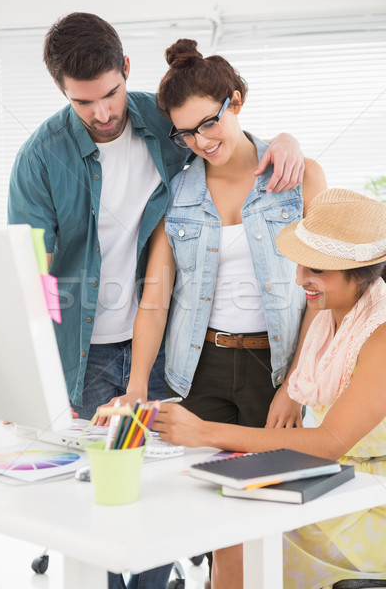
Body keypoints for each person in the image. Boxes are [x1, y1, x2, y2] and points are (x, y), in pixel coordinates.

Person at [6, 14, 304, 589]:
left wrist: (285, 142)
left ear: (125, 69)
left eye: (110, 95)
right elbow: (30, 275)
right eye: (83, 102)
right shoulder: (39, 160)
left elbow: (226, 140)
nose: (102, 113)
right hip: (86, 355)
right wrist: (34, 376)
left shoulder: (164, 120)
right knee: (102, 507)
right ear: (62, 92)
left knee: (164, 507)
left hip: (168, 349)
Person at [153, 188, 386, 589]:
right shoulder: (333, 313)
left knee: (237, 539)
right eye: (300, 266)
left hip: (367, 503)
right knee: (228, 526)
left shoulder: (379, 335)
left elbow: (330, 441)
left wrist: (204, 431)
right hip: (333, 479)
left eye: (316, 271)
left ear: (361, 272)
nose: (300, 280)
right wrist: (290, 393)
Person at [97, 38, 326, 434]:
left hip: (276, 369)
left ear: (234, 103)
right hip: (196, 369)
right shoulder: (176, 194)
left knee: (269, 483)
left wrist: (294, 386)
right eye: (186, 133)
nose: (201, 141)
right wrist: (136, 386)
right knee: (197, 485)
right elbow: (155, 300)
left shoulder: (301, 177)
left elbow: (321, 294)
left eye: (209, 122)